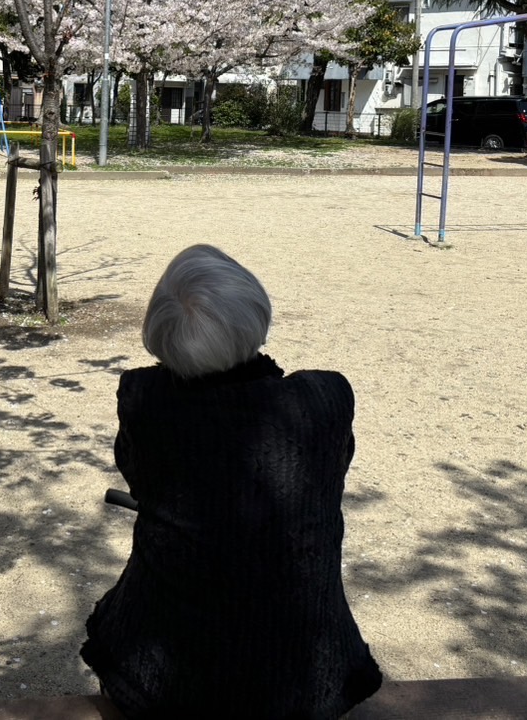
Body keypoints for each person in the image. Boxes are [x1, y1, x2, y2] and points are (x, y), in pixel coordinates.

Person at [81, 244, 382, 719]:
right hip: (309, 677)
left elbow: (138, 476)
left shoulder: (145, 399)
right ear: (255, 312)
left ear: (160, 330)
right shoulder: (324, 399)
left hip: (156, 680)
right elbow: (332, 465)